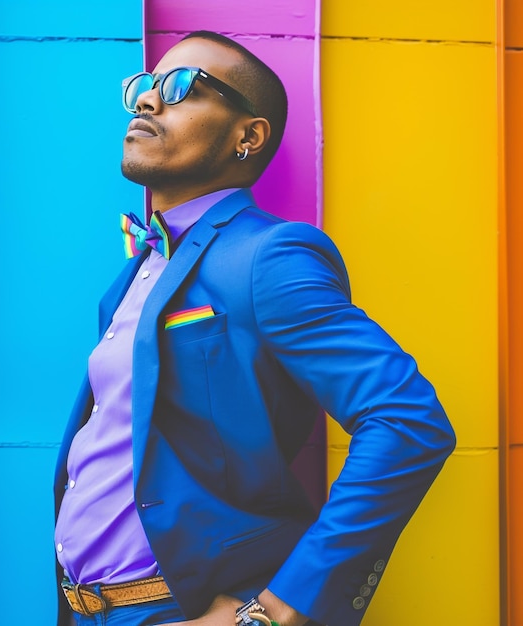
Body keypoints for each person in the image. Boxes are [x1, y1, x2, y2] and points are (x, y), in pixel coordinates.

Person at [53, 30, 456, 626]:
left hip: (178, 608)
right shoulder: (137, 271)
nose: (146, 101)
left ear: (248, 135)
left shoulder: (270, 255)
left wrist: (275, 611)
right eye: (142, 87)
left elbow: (407, 422)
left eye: (180, 87)